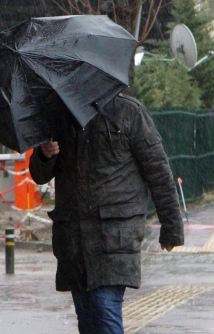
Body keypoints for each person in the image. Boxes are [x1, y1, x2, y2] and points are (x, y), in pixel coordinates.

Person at [29, 93, 184, 334]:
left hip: (114, 235)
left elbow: (158, 172)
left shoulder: (129, 112)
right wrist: (44, 154)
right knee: (87, 319)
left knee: (103, 311)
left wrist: (171, 227)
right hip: (74, 239)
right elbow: (39, 175)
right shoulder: (61, 115)